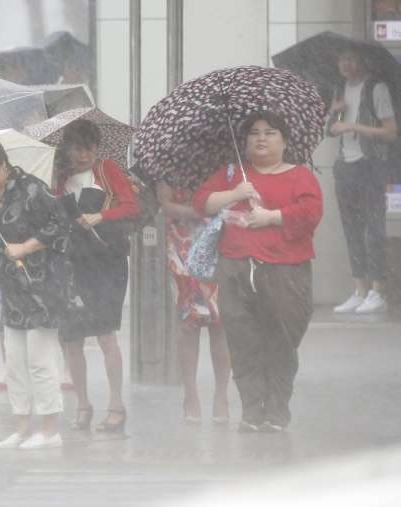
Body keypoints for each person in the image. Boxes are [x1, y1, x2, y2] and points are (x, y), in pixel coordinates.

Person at [193, 111, 323, 432]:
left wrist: (272, 216)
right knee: (243, 342)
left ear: (285, 141)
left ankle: (276, 411)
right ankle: (252, 411)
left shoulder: (300, 176)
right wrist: (235, 193)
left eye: (270, 132)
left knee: (282, 341)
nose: (261, 138)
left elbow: (311, 212)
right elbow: (201, 202)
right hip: (235, 268)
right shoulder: (232, 174)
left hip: (286, 271)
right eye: (254, 132)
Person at [0, 138, 78, 450]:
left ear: (1, 161)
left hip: (44, 288)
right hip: (12, 293)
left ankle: (50, 430)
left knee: (41, 360)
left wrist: (26, 247)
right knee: (15, 362)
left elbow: (61, 226)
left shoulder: (32, 189)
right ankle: (23, 428)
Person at [53, 120, 137, 432]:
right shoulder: (59, 178)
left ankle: (116, 404)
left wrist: (101, 216)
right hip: (72, 263)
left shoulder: (108, 170)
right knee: (71, 337)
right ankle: (83, 404)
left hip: (106, 262)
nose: (84, 155)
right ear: (67, 149)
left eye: (90, 148)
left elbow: (130, 205)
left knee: (105, 334)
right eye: (77, 148)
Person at [328, 46, 397, 314]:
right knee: (351, 229)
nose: (344, 64)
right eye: (341, 58)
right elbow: (332, 131)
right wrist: (336, 113)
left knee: (373, 229)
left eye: (350, 58)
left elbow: (390, 132)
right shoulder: (339, 89)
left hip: (370, 166)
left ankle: (378, 291)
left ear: (361, 61)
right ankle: (360, 290)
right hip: (345, 166)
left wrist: (353, 126)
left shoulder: (376, 89)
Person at [157, 180, 230, 425]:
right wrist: (200, 211)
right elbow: (166, 204)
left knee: (220, 322)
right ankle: (190, 394)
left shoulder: (226, 165)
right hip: (182, 243)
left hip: (219, 240)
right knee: (188, 321)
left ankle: (222, 395)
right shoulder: (169, 166)